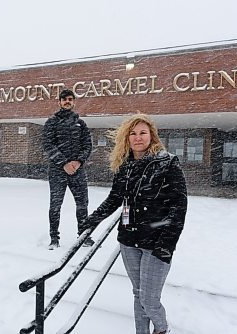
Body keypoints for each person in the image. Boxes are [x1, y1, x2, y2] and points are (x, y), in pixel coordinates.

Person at [80, 114, 187, 334]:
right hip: (129, 239)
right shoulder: (125, 166)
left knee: (149, 298)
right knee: (138, 293)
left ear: (152, 136)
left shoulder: (167, 163)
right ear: (127, 138)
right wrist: (93, 219)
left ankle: (161, 328)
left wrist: (167, 244)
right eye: (133, 133)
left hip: (157, 241)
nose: (138, 138)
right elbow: (115, 198)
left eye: (143, 133)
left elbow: (179, 206)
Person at [43, 89, 93, 250]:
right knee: (55, 205)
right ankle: (54, 238)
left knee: (82, 204)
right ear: (59, 102)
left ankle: (84, 236)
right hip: (57, 171)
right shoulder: (52, 122)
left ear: (73, 102)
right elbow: (48, 145)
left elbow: (87, 145)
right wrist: (64, 163)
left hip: (77, 171)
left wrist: (78, 162)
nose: (67, 101)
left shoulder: (81, 124)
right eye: (64, 99)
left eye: (70, 99)